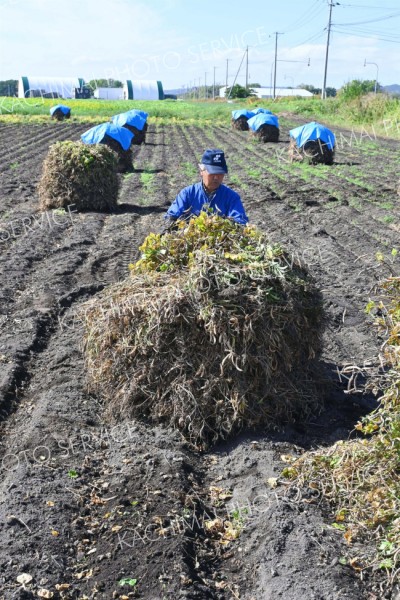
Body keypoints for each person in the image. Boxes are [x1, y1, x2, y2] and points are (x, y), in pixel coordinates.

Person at [163, 149, 248, 230]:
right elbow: (170, 218)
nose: (216, 177)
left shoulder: (232, 197)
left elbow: (240, 222)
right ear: (201, 171)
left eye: (220, 173)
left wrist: (220, 223)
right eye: (212, 173)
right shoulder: (187, 194)